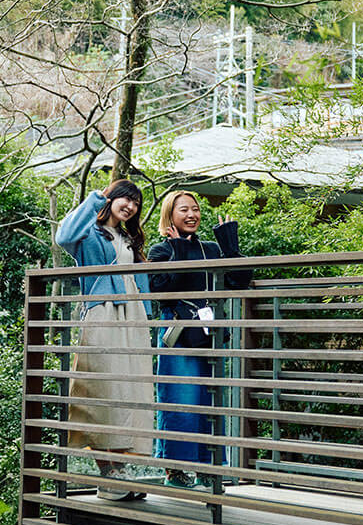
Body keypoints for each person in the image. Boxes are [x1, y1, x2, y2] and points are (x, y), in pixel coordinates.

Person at [54, 180, 156, 501]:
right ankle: (107, 472)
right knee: (103, 387)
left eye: (136, 203)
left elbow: (140, 281)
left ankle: (120, 471)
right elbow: (63, 236)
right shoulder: (88, 234)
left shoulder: (129, 238)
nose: (130, 206)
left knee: (129, 388)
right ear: (110, 198)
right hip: (102, 312)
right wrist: (95, 199)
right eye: (125, 198)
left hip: (133, 318)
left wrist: (148, 316)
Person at [147, 190, 252, 487]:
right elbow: (161, 291)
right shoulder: (160, 250)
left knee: (209, 397)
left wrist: (230, 246)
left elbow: (238, 282)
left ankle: (209, 466)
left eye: (195, 209)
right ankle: (175, 469)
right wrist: (178, 249)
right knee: (180, 396)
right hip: (178, 329)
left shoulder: (209, 249)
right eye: (184, 210)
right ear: (170, 215)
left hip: (208, 331)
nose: (191, 215)